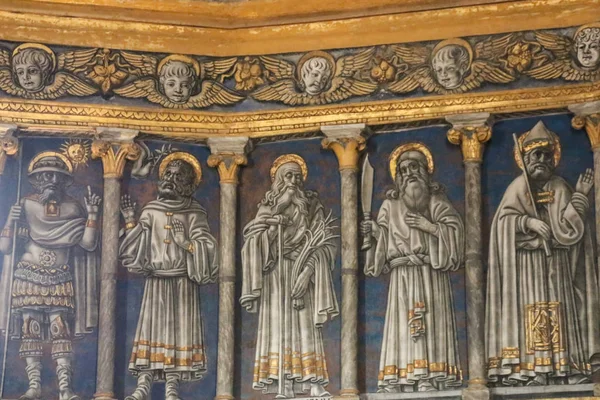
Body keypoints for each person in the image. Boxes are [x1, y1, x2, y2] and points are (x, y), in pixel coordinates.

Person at [486, 121, 600, 386]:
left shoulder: (560, 187)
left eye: (547, 155)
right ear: (524, 158)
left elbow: (572, 232)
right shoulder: (517, 187)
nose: (541, 159)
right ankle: (533, 370)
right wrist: (528, 223)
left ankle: (562, 369)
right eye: (535, 154)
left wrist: (580, 197)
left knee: (557, 313)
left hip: (556, 265)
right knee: (530, 312)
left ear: (554, 159)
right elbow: (502, 224)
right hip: (526, 269)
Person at [361, 144, 464, 393]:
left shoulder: (437, 201)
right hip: (402, 276)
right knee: (403, 327)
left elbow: (456, 234)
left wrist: (430, 227)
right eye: (403, 169)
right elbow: (383, 242)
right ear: (398, 177)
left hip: (431, 273)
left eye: (414, 167)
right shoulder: (390, 206)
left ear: (425, 171)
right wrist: (374, 232)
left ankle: (432, 375)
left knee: (431, 324)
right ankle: (403, 378)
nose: (409, 173)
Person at [0, 152, 101, 400]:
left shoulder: (74, 207)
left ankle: (64, 388)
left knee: (60, 331)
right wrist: (10, 222)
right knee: (30, 329)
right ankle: (34, 386)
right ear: (36, 180)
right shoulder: (23, 205)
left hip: (59, 277)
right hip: (29, 273)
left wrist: (92, 214)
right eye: (45, 176)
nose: (51, 181)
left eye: (56, 176)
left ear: (65, 180)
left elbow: (88, 244)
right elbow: (5, 248)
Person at [119, 152, 218, 400]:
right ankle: (143, 385)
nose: (171, 179)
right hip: (156, 280)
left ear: (187, 182)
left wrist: (187, 243)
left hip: (183, 282)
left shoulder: (195, 213)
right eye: (168, 174)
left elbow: (208, 246)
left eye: (177, 176)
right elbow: (136, 247)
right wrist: (131, 221)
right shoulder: (151, 210)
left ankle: (172, 387)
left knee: (179, 333)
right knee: (151, 331)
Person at [241, 154, 339, 398]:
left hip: (304, 271)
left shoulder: (312, 206)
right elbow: (252, 241)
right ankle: (283, 381)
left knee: (306, 327)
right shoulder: (268, 207)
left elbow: (326, 244)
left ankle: (313, 382)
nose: (294, 180)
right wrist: (277, 215)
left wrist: (307, 271)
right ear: (278, 180)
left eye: (298, 176)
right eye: (288, 175)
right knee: (278, 326)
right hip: (276, 274)